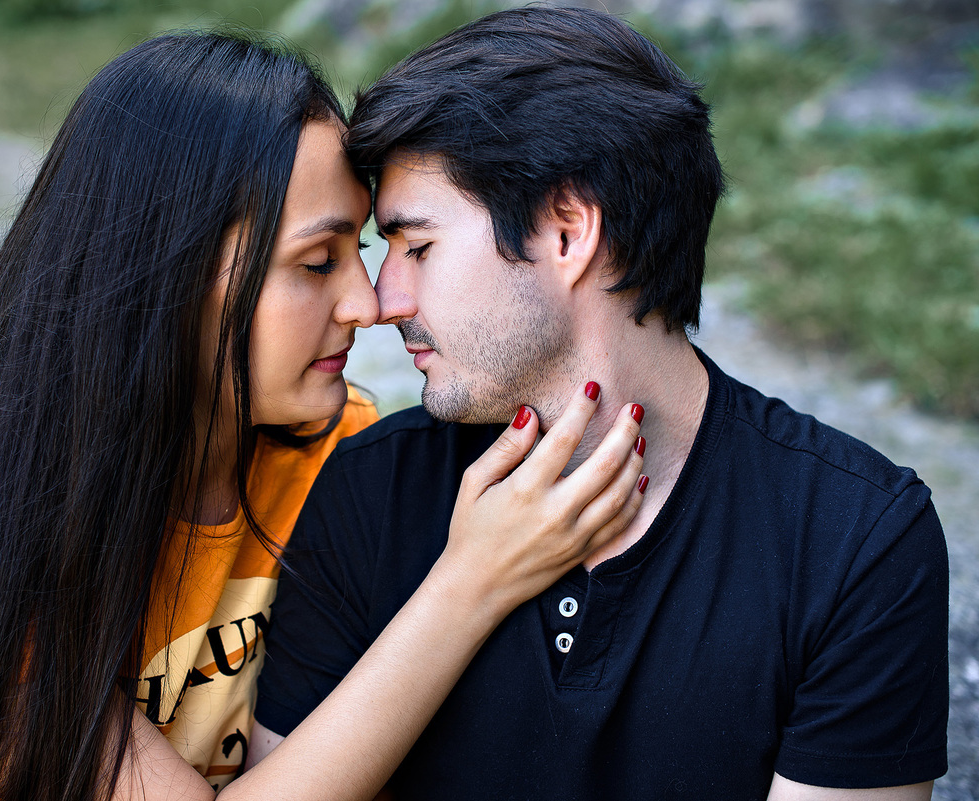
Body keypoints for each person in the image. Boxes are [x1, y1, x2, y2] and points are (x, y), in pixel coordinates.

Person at [0, 31, 651, 801]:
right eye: (316, 262)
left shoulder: (338, 453)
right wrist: (472, 581)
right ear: (168, 277)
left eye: (367, 249)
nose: (366, 302)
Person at [251, 7, 949, 799]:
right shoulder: (369, 490)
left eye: (417, 247)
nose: (381, 300)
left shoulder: (853, 541)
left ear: (567, 231)